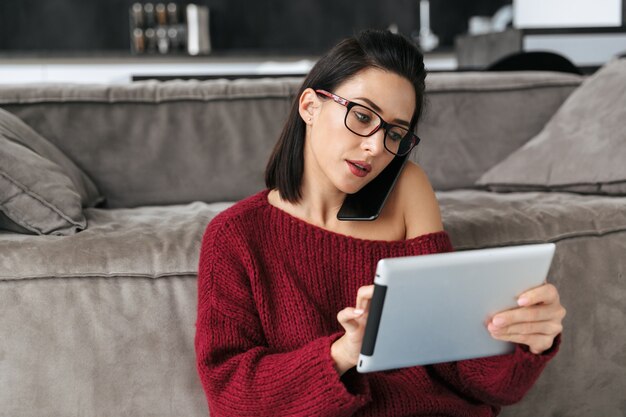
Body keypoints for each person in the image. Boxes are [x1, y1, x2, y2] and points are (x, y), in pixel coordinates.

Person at [195, 29, 566, 417]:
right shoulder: (236, 235)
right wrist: (345, 352)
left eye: (394, 133)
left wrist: (527, 339)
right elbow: (231, 398)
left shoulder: (406, 190)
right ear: (310, 106)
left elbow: (469, 372)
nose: (375, 146)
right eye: (361, 115)